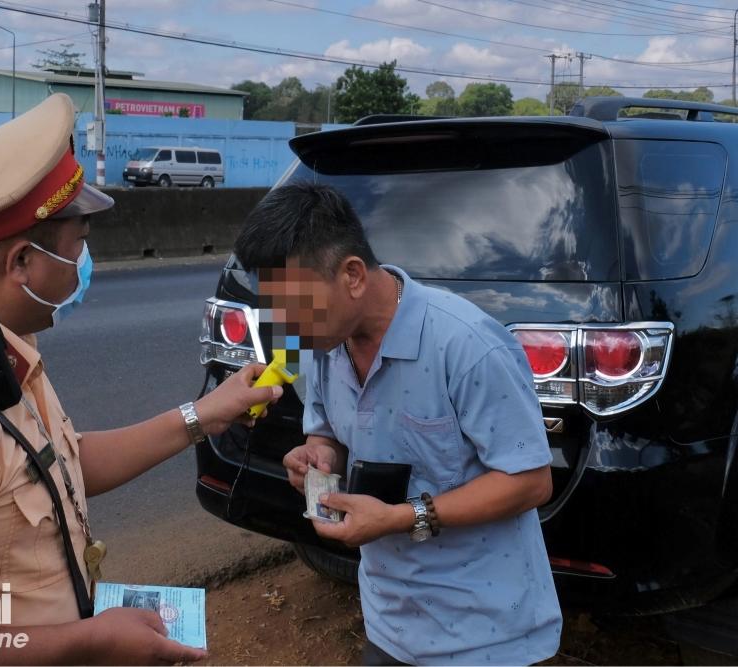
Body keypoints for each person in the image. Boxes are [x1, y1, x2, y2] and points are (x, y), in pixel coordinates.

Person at [0, 94, 281, 666]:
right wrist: (90, 641)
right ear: (21, 263)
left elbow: (60, 465)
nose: (86, 260)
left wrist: (206, 414)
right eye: (80, 243)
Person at [233, 183, 562, 666]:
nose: (289, 326)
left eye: (297, 308)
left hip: (487, 636)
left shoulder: (468, 346)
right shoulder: (327, 343)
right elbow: (326, 430)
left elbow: (531, 482)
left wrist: (401, 518)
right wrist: (319, 455)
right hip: (390, 622)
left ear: (352, 275)